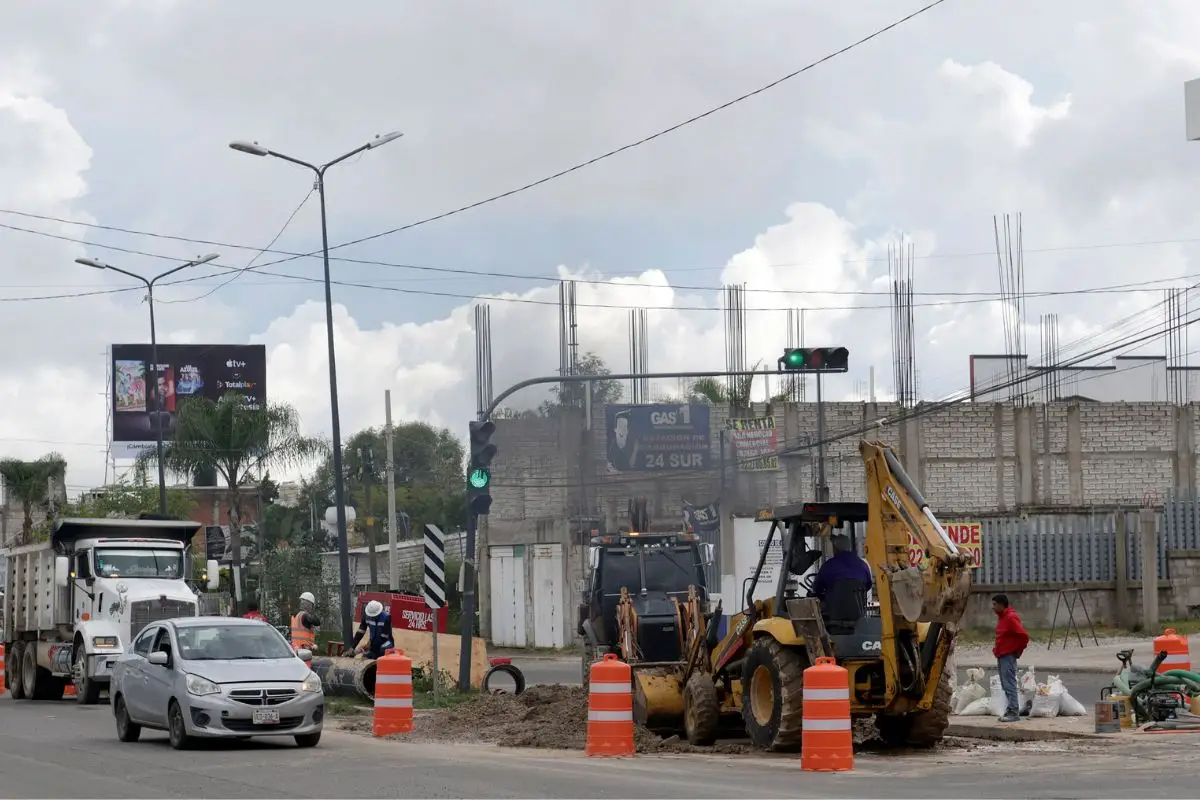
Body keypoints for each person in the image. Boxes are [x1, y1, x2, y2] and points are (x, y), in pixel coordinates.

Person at [992, 593, 1030, 723]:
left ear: (1002, 605)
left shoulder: (1010, 618)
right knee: (1005, 684)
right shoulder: (1002, 617)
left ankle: (1014, 712)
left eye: (995, 604)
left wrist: (1017, 651)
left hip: (1008, 655)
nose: (992, 607)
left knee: (1009, 684)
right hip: (1002, 655)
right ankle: (1010, 709)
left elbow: (1023, 636)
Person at [810, 534, 873, 600]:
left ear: (835, 548)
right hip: (859, 609)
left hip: (834, 609)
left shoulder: (828, 567)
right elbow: (868, 585)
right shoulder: (863, 565)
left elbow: (817, 588)